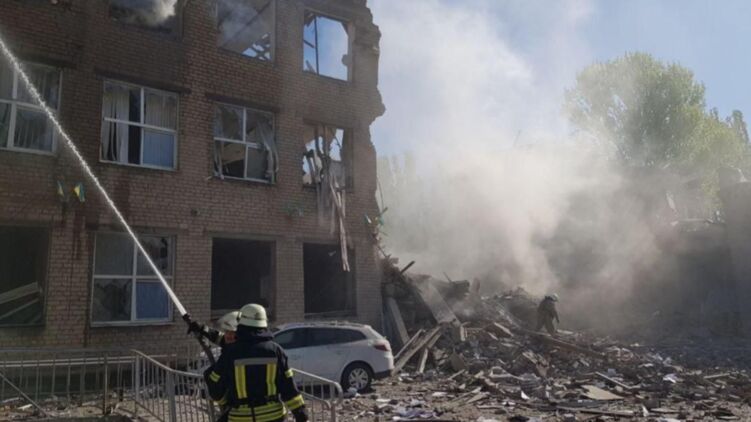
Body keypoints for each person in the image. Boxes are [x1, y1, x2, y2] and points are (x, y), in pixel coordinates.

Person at [201, 304, 308, 422]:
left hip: (241, 418)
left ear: (241, 324)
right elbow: (288, 386)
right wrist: (301, 414)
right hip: (273, 417)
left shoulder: (231, 352)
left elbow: (216, 387)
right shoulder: (275, 350)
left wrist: (226, 401)